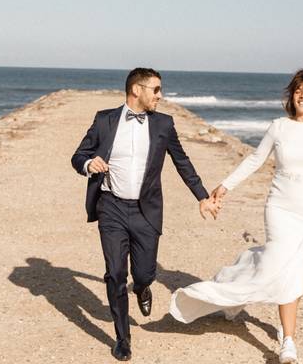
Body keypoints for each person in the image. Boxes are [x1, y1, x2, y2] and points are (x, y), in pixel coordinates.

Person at [169, 69, 303, 364]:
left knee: (298, 271)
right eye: (298, 91)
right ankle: (289, 342)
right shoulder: (278, 127)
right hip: (281, 209)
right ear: (292, 96)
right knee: (280, 265)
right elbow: (254, 160)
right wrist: (225, 185)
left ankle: (247, 287)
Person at [71, 67, 220, 361]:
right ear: (136, 90)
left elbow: (182, 162)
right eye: (156, 89)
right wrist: (90, 164)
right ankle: (123, 338)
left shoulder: (164, 124)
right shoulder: (105, 120)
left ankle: (141, 287)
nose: (160, 96)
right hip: (111, 206)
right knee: (115, 273)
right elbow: (79, 155)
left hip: (146, 210)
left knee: (144, 272)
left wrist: (202, 196)